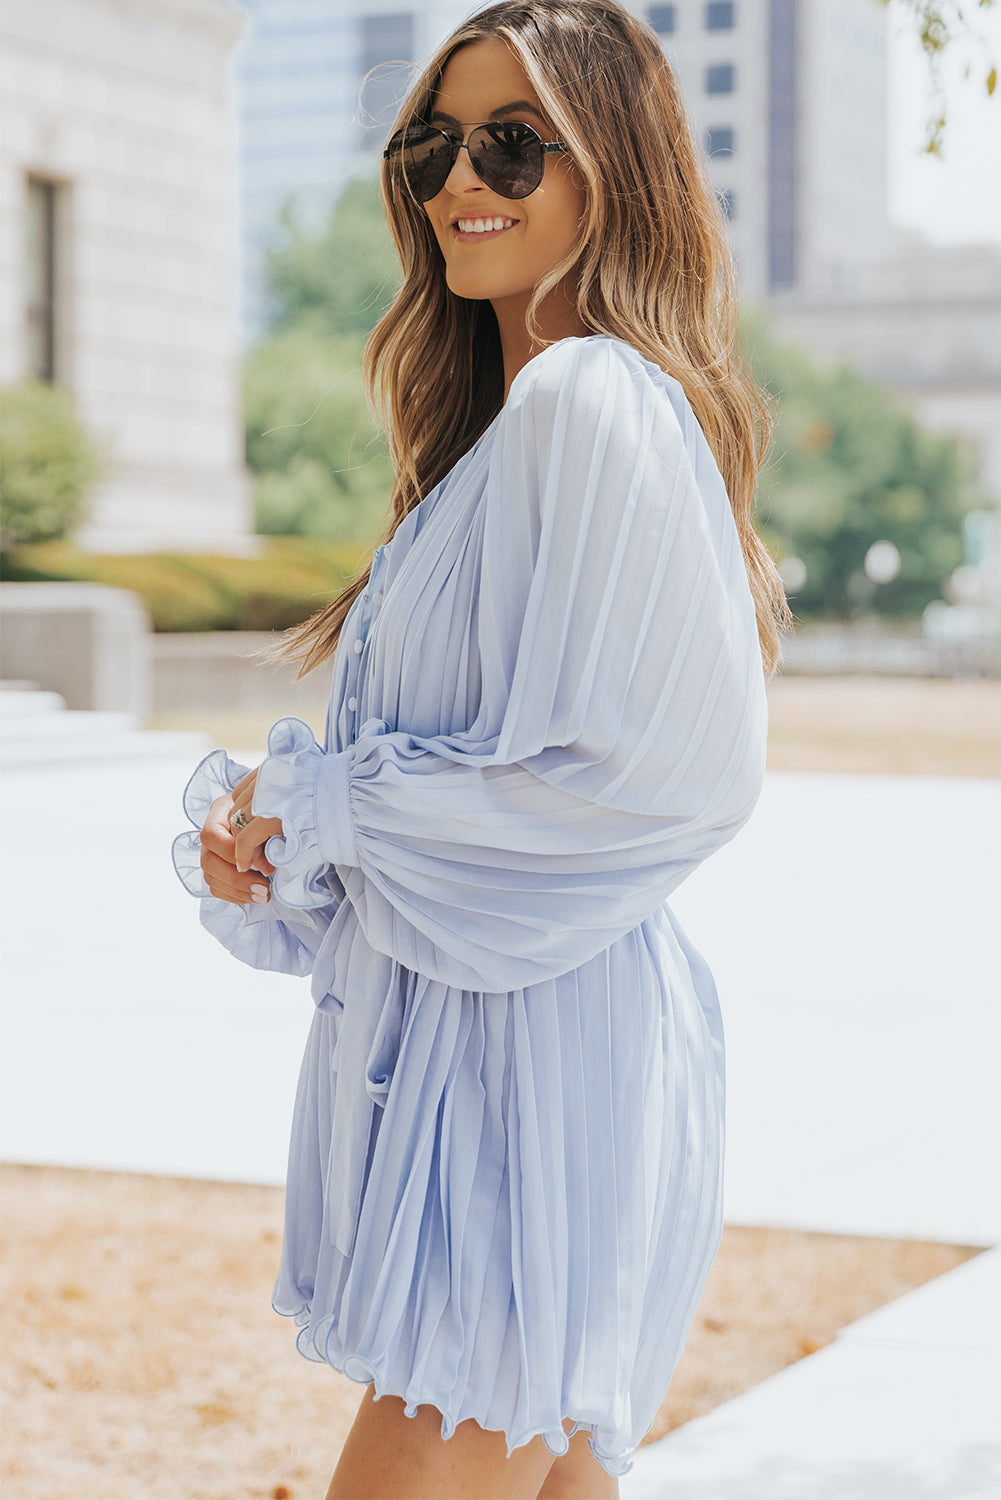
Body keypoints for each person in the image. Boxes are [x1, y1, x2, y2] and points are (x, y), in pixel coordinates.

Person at [173, 2, 789, 1494]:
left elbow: (652, 780)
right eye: (433, 142)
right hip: (496, 1051)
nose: (462, 177)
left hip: (529, 1069)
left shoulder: (587, 399)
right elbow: (486, 773)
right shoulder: (503, 437)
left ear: (613, 171)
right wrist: (295, 852)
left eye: (514, 142)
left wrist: (322, 803)